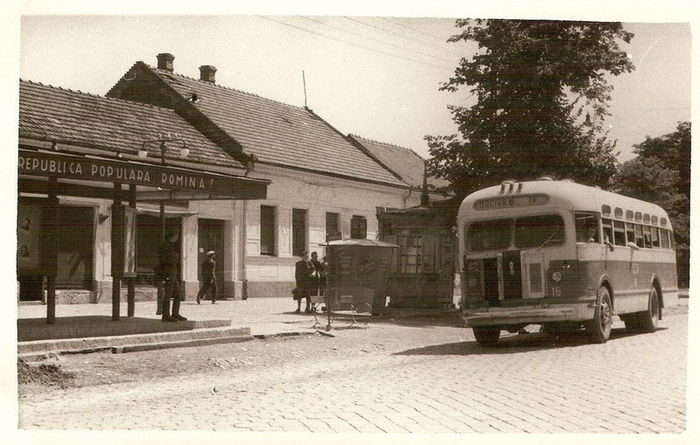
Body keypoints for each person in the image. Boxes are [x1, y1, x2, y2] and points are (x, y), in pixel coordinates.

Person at [158, 230, 186, 322]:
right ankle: (166, 315)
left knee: (178, 292)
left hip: (173, 272)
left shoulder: (170, 245)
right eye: (176, 235)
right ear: (172, 236)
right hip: (168, 272)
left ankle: (175, 313)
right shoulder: (165, 246)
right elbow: (163, 260)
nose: (177, 237)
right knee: (168, 294)